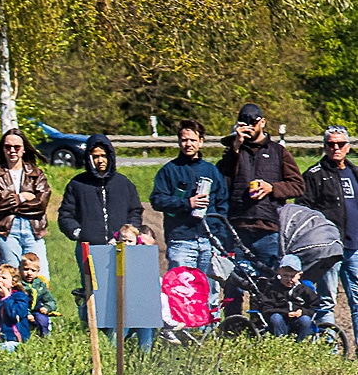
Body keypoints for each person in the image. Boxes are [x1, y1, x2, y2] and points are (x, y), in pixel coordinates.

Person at [218, 103, 303, 316]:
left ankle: (261, 324)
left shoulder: (278, 152)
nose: (249, 126)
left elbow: (297, 185)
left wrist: (272, 188)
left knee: (266, 283)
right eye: (244, 122)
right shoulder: (234, 150)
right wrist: (236, 147)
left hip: (268, 229)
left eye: (253, 122)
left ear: (262, 122)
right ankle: (234, 325)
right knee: (234, 282)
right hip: (238, 227)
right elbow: (222, 177)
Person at [149, 120, 227, 279]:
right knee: (182, 289)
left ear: (201, 142)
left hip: (209, 241)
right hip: (181, 240)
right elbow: (157, 200)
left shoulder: (211, 171)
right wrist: (186, 203)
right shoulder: (169, 170)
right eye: (184, 140)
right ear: (179, 141)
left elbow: (223, 204)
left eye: (192, 140)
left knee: (209, 290)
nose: (188, 144)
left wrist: (220, 237)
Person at [297, 125, 352, 326]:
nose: (336, 148)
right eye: (331, 144)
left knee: (357, 300)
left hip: (354, 247)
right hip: (328, 248)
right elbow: (303, 211)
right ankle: (328, 342)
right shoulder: (313, 175)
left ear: (348, 147)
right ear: (325, 146)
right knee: (326, 300)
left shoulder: (355, 174)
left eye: (340, 144)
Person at [0, 128, 52, 279]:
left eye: (17, 147)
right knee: (11, 275)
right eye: (8, 147)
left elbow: (41, 203)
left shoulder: (36, 174)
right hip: (6, 231)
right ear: (3, 149)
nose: (12, 151)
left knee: (40, 277)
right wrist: (21, 197)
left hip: (33, 230)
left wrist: (9, 205)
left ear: (24, 149)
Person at [57, 135, 142, 246]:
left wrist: (130, 232)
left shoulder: (124, 184)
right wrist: (79, 233)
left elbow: (135, 211)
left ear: (110, 156)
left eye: (104, 156)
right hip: (88, 246)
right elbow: (65, 214)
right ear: (89, 158)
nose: (100, 160)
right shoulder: (77, 184)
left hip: (120, 246)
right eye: (96, 156)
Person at [256, 254, 318, 340]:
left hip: (298, 320)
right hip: (281, 321)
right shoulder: (273, 289)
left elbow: (314, 305)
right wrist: (285, 313)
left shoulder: (304, 290)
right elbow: (266, 307)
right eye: (285, 275)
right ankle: (281, 342)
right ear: (279, 272)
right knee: (276, 318)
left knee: (305, 320)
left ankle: (301, 343)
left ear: (299, 275)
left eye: (292, 276)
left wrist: (302, 311)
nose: (289, 279)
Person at [0, 264, 31, 346]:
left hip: (14, 338)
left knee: (7, 346)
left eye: (3, 278)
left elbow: (16, 315)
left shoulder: (20, 296)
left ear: (13, 282)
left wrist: (7, 297)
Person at [18, 252, 55, 335]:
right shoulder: (18, 284)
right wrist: (27, 314)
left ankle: (44, 336)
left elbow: (50, 300)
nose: (29, 273)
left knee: (42, 319)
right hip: (21, 311)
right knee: (21, 323)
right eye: (26, 269)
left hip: (36, 310)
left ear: (38, 271)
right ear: (19, 269)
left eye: (33, 270)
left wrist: (47, 308)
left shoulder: (40, 284)